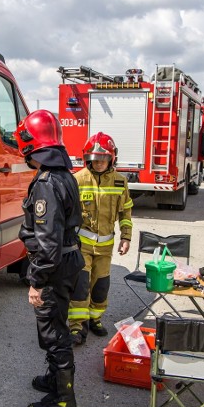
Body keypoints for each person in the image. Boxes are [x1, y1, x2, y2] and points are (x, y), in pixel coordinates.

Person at [16, 109, 84, 407]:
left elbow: (47, 241)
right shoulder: (64, 175)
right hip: (68, 261)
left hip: (54, 267)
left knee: (54, 333)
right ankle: (55, 378)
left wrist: (37, 282)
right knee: (56, 325)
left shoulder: (46, 182)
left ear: (31, 145)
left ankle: (62, 399)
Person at [68, 132, 132, 345]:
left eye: (103, 159)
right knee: (80, 285)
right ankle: (77, 328)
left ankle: (95, 319)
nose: (99, 163)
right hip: (82, 245)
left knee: (100, 286)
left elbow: (126, 213)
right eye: (95, 159)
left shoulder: (120, 182)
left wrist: (126, 237)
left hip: (106, 246)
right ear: (87, 159)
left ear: (112, 159)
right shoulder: (77, 179)